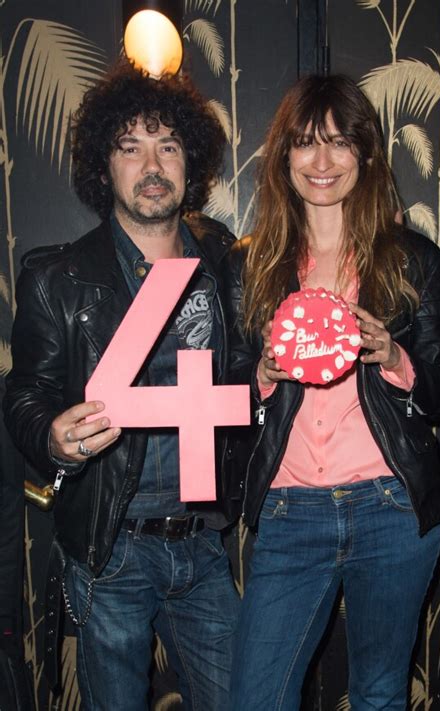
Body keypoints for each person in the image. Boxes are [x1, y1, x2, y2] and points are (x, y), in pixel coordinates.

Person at [3, 61, 243, 710]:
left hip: (202, 542)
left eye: (168, 145)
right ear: (103, 165)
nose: (152, 165)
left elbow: (251, 374)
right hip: (110, 546)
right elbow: (24, 395)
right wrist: (51, 435)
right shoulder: (57, 278)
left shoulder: (227, 266)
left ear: (191, 162)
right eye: (130, 147)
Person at [229, 75, 440, 710]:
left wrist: (395, 358)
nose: (323, 161)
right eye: (306, 142)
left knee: (380, 695)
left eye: (339, 142)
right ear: (284, 156)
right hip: (288, 511)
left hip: (391, 506)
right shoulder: (250, 266)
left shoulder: (413, 261)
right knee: (255, 698)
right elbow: (227, 397)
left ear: (365, 153)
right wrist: (263, 375)